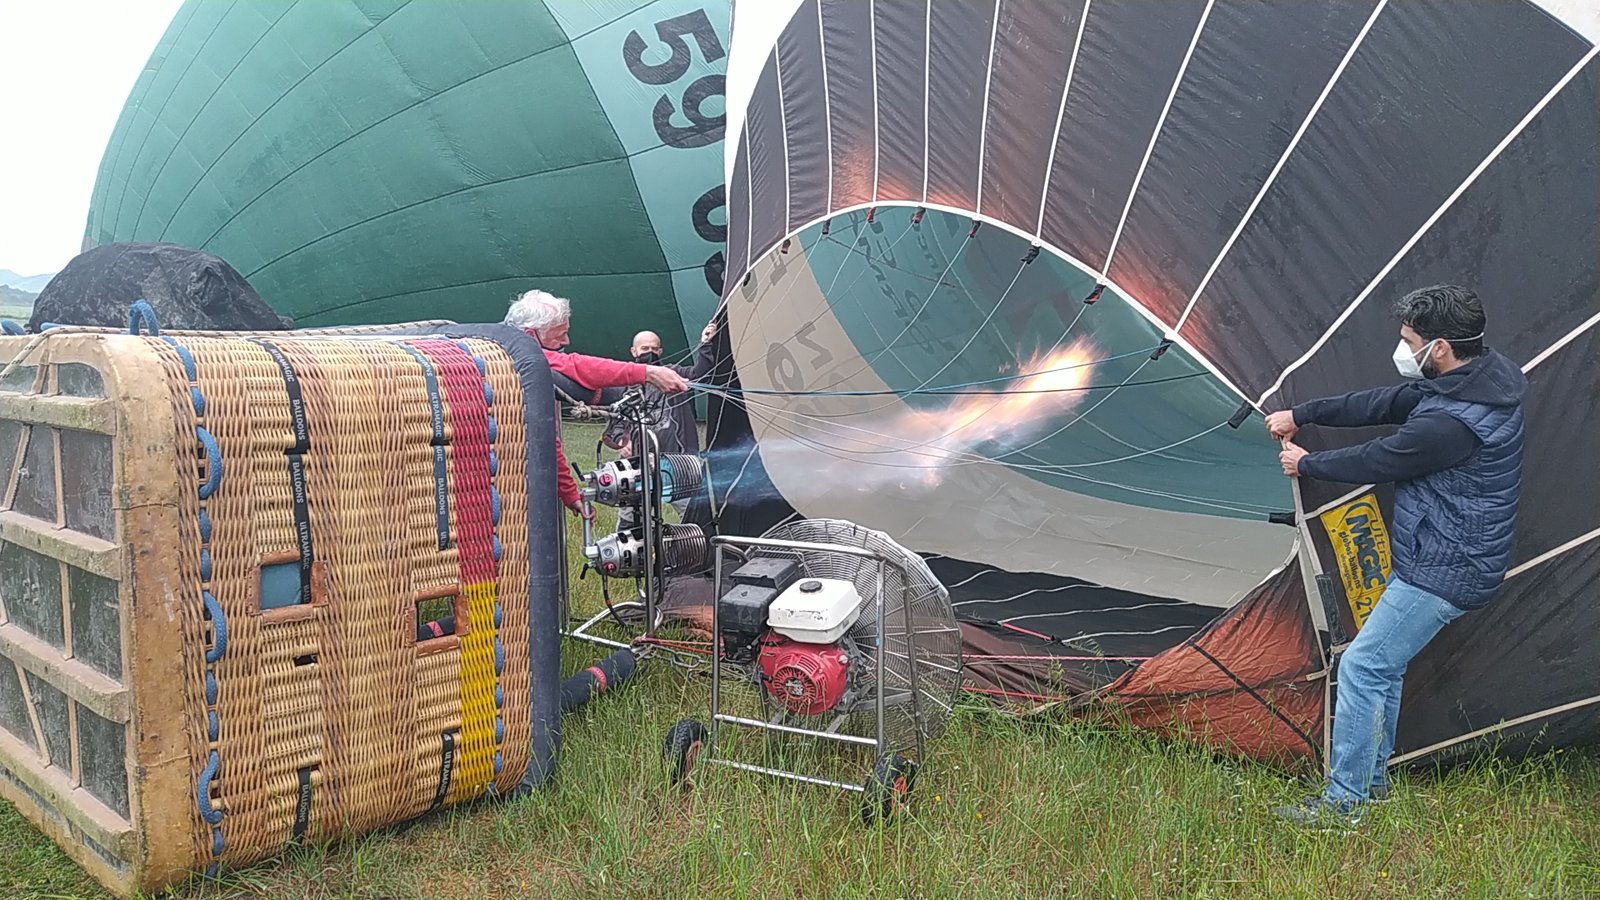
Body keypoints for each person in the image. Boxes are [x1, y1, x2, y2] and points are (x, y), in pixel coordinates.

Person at [1268, 284, 1525, 826]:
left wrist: (1306, 464)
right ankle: (1371, 785)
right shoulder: (1477, 378)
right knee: (1381, 666)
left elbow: (1385, 457)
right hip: (1444, 552)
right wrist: (1303, 412)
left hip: (1447, 567)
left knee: (1362, 665)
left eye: (1409, 341)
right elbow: (1386, 403)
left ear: (1439, 348)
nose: (1402, 349)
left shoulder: (1452, 423)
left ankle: (1345, 805)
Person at [502, 289, 689, 518]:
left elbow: (548, 438)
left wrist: (570, 494)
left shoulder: (532, 376)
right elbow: (576, 366)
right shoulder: (515, 357)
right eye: (559, 335)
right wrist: (647, 372)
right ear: (531, 335)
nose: (566, 341)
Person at [604, 322, 720, 459]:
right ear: (633, 351)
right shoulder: (624, 382)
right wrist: (622, 442)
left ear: (660, 352)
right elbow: (616, 420)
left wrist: (705, 344)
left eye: (654, 349)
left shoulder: (673, 373)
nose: (650, 352)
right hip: (639, 460)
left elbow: (700, 375)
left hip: (677, 457)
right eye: (645, 348)